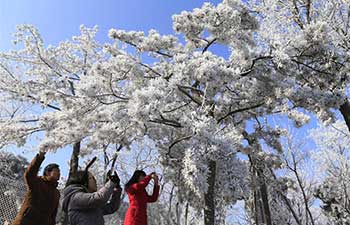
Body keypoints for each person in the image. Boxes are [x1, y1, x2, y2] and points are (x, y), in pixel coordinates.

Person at [12, 151, 61, 225]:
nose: (59, 173)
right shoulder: (37, 182)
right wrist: (40, 157)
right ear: (48, 172)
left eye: (60, 171)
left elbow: (53, 214)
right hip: (26, 221)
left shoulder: (56, 193)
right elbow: (29, 174)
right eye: (57, 171)